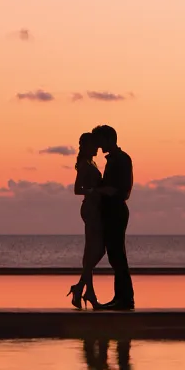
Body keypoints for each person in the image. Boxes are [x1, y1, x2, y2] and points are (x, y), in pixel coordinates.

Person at [91, 124, 135, 309]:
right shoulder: (113, 160)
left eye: (100, 140)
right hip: (111, 211)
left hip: (116, 211)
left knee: (117, 256)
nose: (98, 145)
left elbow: (122, 190)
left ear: (109, 139)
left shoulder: (121, 159)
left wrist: (97, 190)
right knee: (115, 256)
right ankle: (121, 298)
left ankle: (124, 299)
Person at [69, 132, 106, 309]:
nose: (97, 148)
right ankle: (86, 290)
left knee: (95, 251)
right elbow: (77, 189)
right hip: (90, 209)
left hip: (96, 209)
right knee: (95, 249)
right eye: (94, 145)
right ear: (86, 146)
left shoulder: (92, 162)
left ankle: (82, 288)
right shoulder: (84, 164)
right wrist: (94, 192)